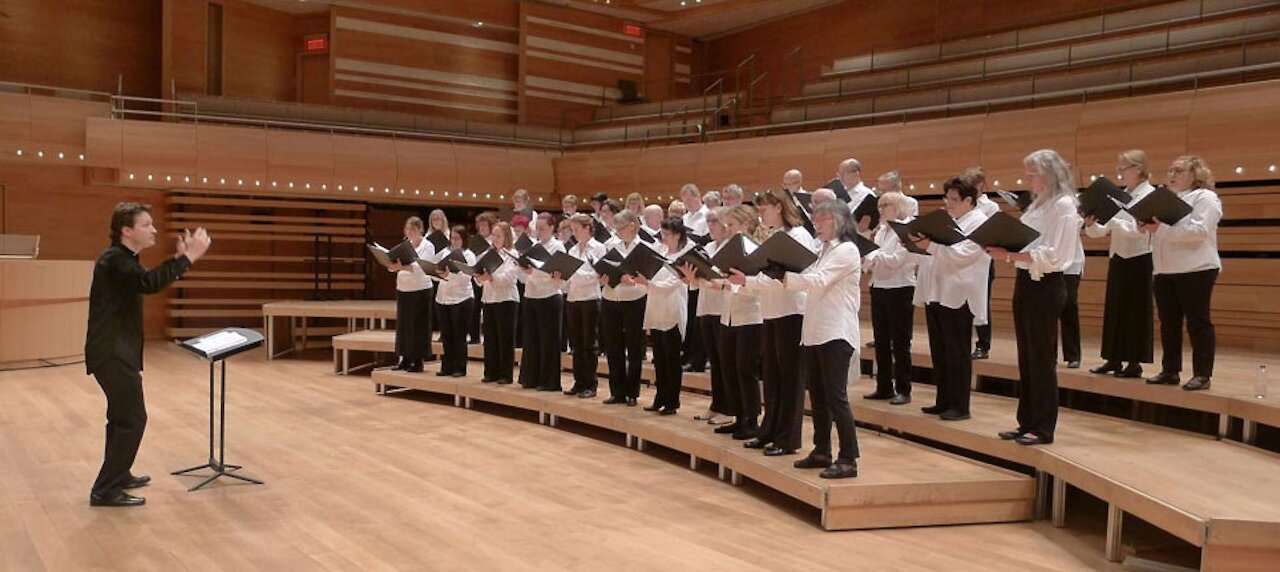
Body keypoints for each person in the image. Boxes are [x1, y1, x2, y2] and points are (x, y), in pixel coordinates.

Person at [85, 203, 211, 507]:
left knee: (119, 418)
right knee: (132, 418)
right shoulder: (115, 260)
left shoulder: (123, 259)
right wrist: (189, 258)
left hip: (116, 351)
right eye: (146, 225)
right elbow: (149, 283)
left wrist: (180, 259)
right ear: (127, 230)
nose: (154, 230)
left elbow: (147, 279)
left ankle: (119, 473)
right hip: (112, 352)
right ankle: (105, 489)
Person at [987, 149, 1082, 446]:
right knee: (1026, 358)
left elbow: (1056, 255)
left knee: (1042, 358)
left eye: (1032, 173)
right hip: (1026, 281)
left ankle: (1043, 427)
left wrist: (1010, 254)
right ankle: (1026, 420)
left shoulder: (1064, 205)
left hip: (1047, 284)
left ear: (1049, 174)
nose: (1027, 178)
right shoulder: (1039, 204)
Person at [730, 189, 815, 456]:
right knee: (773, 377)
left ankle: (787, 438)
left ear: (778, 207)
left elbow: (802, 275)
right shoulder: (774, 236)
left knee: (790, 377)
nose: (760, 215)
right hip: (772, 312)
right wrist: (746, 281)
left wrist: (752, 280)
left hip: (792, 312)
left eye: (764, 209)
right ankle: (769, 430)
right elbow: (769, 280)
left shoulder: (799, 235)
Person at [782, 200, 863, 479]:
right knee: (817, 396)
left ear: (839, 220)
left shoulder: (848, 250)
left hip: (836, 331)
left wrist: (784, 275)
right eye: (814, 219)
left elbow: (817, 280)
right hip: (816, 331)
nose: (816, 223)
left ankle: (849, 457)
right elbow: (808, 277)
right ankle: (821, 450)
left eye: (822, 218)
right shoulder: (822, 250)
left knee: (835, 397)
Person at [912, 177, 991, 421]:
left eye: (954, 200)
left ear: (969, 200)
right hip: (938, 291)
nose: (949, 204)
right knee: (940, 350)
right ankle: (943, 399)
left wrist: (931, 245)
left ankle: (960, 404)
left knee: (957, 352)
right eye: (947, 199)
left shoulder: (979, 222)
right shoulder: (952, 220)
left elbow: (963, 255)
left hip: (960, 293)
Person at [1141, 155, 1222, 391]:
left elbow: (1199, 230)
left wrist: (1161, 229)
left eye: (1179, 170)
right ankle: (1170, 370)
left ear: (1196, 174)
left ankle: (1202, 374)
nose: (1172, 175)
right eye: (1170, 170)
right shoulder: (1167, 199)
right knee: (1169, 323)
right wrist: (1146, 224)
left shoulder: (1206, 198)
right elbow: (1164, 231)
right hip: (1165, 269)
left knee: (1198, 322)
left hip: (1196, 268)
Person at [1085, 150, 1155, 378]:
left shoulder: (1149, 195)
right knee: (1115, 309)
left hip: (1140, 258)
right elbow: (1100, 233)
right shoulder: (1120, 195)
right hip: (1119, 257)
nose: (1120, 173)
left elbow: (1140, 231)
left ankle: (1134, 362)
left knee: (1136, 310)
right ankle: (1113, 358)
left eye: (1123, 168)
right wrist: (1091, 223)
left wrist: (1113, 222)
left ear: (1138, 168)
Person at [709, 205, 764, 440]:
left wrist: (728, 284)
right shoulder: (730, 249)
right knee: (729, 368)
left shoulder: (753, 251)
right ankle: (739, 417)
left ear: (745, 225)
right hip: (729, 315)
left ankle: (751, 420)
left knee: (745, 370)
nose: (727, 229)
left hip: (750, 316)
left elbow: (756, 288)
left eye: (731, 225)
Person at [862, 191, 918, 405]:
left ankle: (904, 389)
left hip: (900, 288)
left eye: (886, 205)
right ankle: (883, 386)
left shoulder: (907, 229)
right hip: (879, 286)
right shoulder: (881, 231)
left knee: (900, 342)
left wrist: (875, 256)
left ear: (898, 207)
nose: (881, 209)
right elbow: (868, 261)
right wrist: (874, 257)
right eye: (880, 205)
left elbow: (896, 260)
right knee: (882, 340)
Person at [633, 218, 691, 414]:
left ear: (677, 235)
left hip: (673, 309)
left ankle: (672, 401)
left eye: (666, 234)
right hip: (657, 309)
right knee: (659, 357)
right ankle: (660, 397)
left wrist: (648, 284)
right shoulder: (661, 253)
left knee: (671, 359)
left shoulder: (683, 256)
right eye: (662, 234)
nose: (663, 237)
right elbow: (652, 276)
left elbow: (672, 284)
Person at [681, 209, 732, 425]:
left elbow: (727, 281)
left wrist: (706, 281)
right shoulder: (707, 248)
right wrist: (691, 278)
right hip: (705, 307)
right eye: (708, 221)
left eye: (714, 222)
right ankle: (716, 405)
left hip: (724, 309)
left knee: (724, 361)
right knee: (715, 361)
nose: (710, 225)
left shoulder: (730, 249)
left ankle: (729, 408)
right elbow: (702, 282)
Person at [599, 210, 649, 406]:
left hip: (634, 299)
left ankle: (632, 392)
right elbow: (602, 268)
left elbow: (647, 277)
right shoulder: (610, 245)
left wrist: (633, 281)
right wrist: (602, 278)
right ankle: (617, 391)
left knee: (634, 347)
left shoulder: (644, 247)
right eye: (615, 228)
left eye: (620, 228)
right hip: (611, 297)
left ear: (631, 226)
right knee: (613, 346)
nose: (617, 232)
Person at [517, 213, 566, 392]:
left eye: (542, 228)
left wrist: (533, 273)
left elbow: (557, 277)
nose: (538, 231)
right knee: (531, 340)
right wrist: (522, 269)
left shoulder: (557, 246)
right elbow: (523, 277)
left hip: (550, 297)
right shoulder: (534, 246)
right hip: (531, 296)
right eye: (537, 228)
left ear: (552, 228)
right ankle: (531, 378)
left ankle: (549, 381)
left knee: (549, 342)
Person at [561, 214, 606, 398]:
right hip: (573, 298)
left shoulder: (598, 248)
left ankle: (590, 384)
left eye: (577, 229)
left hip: (590, 298)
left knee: (589, 343)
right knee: (576, 343)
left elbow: (596, 276)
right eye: (572, 230)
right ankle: (579, 382)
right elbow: (571, 276)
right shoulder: (572, 250)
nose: (574, 233)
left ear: (587, 228)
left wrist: (574, 275)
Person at [389, 216, 437, 373]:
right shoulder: (405, 245)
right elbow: (396, 266)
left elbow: (422, 267)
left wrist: (401, 267)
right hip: (404, 288)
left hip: (420, 290)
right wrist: (392, 264)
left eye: (413, 229)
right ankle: (405, 358)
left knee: (418, 326)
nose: (410, 232)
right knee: (404, 326)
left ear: (420, 229)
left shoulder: (427, 246)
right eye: (407, 229)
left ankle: (418, 360)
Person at [965, 167, 1002, 360]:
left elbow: (992, 232)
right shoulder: (964, 203)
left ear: (980, 185)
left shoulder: (990, 207)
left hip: (982, 261)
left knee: (981, 302)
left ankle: (983, 344)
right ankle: (964, 341)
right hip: (963, 260)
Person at [477, 222, 520, 384]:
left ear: (506, 237)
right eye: (493, 236)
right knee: (490, 338)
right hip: (489, 298)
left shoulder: (512, 254)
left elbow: (509, 278)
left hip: (506, 299)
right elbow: (480, 277)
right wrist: (480, 277)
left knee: (505, 339)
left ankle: (505, 374)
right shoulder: (488, 254)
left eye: (498, 236)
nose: (495, 239)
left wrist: (491, 277)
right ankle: (491, 372)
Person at [432, 226, 477, 377]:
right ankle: (447, 366)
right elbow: (433, 271)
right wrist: (437, 273)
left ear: (464, 239)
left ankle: (459, 367)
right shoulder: (445, 252)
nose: (454, 241)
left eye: (457, 238)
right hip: (443, 298)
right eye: (452, 238)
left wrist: (447, 274)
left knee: (459, 335)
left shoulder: (469, 255)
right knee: (446, 334)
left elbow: (465, 277)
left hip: (461, 299)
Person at [470, 212, 498, 345]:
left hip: (492, 278)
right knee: (474, 308)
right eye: (479, 226)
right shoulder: (475, 241)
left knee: (489, 310)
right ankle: (474, 337)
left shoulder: (495, 241)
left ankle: (488, 338)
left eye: (484, 226)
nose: (481, 228)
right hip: (477, 276)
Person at [1061, 239, 1085, 369]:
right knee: (1047, 311)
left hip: (1071, 264)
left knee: (1069, 307)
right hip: (1048, 264)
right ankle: (1048, 355)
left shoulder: (1071, 217)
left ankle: (1073, 356)